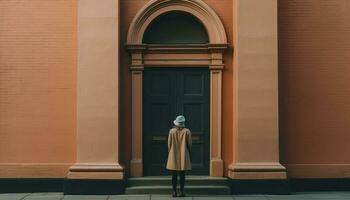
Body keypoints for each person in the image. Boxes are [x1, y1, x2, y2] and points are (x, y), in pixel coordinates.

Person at [166, 115, 192, 197]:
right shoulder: (187, 131)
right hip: (183, 154)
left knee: (174, 175)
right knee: (182, 175)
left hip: (173, 154)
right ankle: (181, 191)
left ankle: (174, 191)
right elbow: (189, 144)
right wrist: (188, 151)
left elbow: (169, 144)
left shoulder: (171, 131)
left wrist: (170, 152)